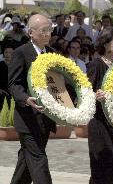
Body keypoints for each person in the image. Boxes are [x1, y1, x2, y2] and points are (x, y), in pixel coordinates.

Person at [8, 14, 56, 184]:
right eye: (43, 30)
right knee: (38, 160)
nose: (47, 34)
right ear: (31, 32)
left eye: (49, 30)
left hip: (45, 119)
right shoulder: (21, 52)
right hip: (27, 119)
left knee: (26, 160)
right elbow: (14, 84)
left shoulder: (52, 53)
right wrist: (26, 98)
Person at [86, 27, 113, 184]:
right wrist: (95, 96)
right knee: (102, 169)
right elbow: (84, 93)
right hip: (100, 125)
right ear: (105, 44)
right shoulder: (95, 65)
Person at [0, 45, 13, 110]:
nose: (8, 54)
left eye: (10, 52)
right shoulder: (1, 65)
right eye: (6, 52)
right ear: (3, 54)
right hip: (2, 92)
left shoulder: (17, 65)